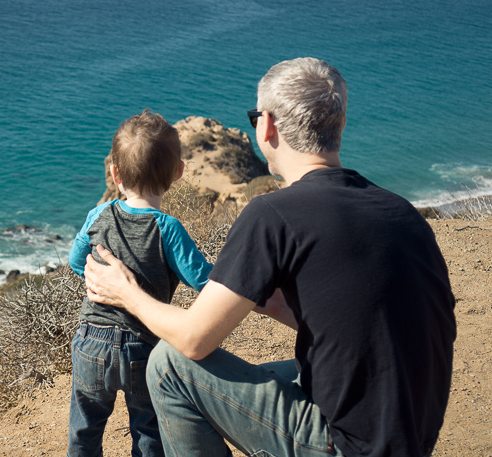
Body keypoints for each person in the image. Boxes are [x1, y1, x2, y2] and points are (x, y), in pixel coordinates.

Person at [83, 58, 456, 457]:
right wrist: (276, 306)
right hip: (408, 436)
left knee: (169, 364)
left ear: (267, 126)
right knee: (267, 374)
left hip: (344, 445)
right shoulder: (402, 212)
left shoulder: (273, 213)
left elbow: (193, 340)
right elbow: (364, 327)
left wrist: (128, 293)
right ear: (340, 126)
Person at [67, 109, 213, 457]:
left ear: (114, 173)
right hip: (142, 348)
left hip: (90, 340)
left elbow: (75, 262)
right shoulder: (168, 228)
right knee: (148, 431)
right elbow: (205, 282)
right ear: (177, 173)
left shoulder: (98, 214)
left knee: (84, 430)